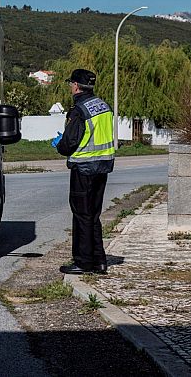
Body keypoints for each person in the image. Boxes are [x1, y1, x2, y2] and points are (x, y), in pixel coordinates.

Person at [54, 69, 115, 275]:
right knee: (94, 215)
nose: (71, 87)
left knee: (81, 215)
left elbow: (69, 144)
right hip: (103, 166)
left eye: (71, 83)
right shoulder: (104, 106)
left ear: (77, 86)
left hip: (84, 168)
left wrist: (59, 144)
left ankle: (82, 261)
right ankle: (99, 261)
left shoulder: (79, 110)